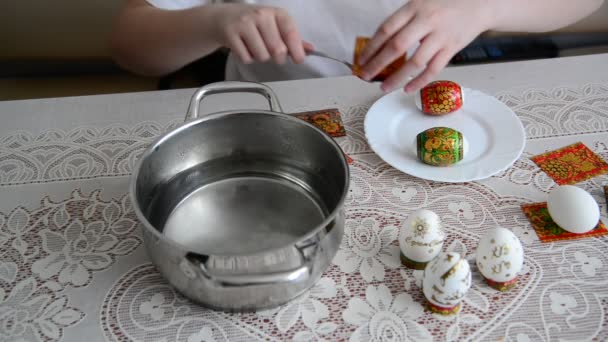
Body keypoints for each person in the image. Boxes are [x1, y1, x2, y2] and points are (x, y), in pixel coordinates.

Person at [110, 0, 604, 93]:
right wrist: (212, 21)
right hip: (275, 110)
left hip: (425, 109)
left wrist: (485, 8)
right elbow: (130, 44)